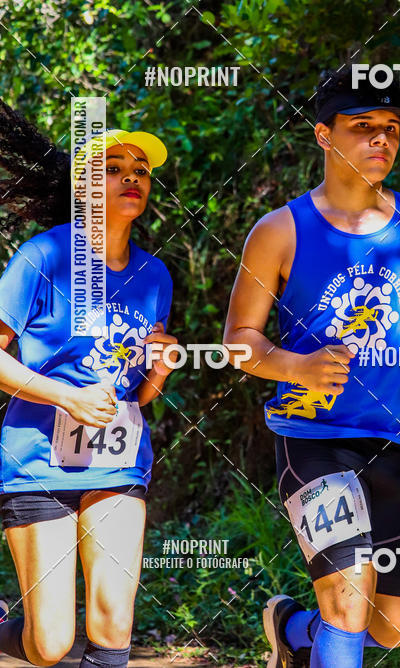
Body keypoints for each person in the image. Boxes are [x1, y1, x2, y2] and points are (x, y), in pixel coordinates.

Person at [223, 67, 400, 667]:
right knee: (348, 602)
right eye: (363, 127)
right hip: (315, 437)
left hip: (397, 437)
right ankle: (324, 631)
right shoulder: (280, 230)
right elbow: (238, 340)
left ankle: (294, 631)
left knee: (395, 626)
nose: (381, 139)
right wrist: (298, 367)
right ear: (324, 135)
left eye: (390, 128)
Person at [0, 102, 177, 668]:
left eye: (141, 171)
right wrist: (65, 395)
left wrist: (160, 369)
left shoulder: (155, 276)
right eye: (114, 168)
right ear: (85, 187)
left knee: (111, 626)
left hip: (117, 463)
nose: (132, 178)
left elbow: (141, 395)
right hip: (35, 461)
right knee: (49, 645)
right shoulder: (43, 257)